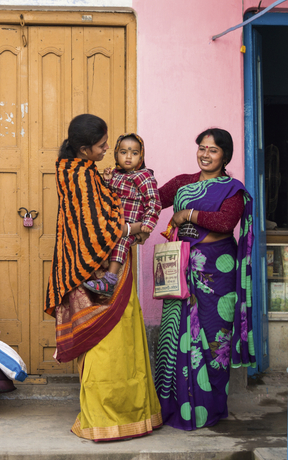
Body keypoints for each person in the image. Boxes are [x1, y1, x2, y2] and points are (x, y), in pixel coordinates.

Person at [45, 114, 162, 441]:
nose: (109, 148)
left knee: (109, 342)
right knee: (109, 344)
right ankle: (109, 417)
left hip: (96, 266)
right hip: (96, 268)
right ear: (84, 149)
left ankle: (124, 415)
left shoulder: (71, 169)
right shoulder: (83, 177)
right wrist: (134, 228)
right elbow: (98, 228)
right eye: (102, 145)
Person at [154, 128, 255, 431]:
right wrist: (123, 176)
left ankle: (210, 408)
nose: (205, 154)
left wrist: (186, 215)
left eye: (213, 150)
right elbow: (153, 200)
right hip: (180, 272)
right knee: (174, 339)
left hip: (218, 275)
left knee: (214, 342)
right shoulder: (183, 183)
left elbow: (225, 222)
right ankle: (176, 408)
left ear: (225, 155)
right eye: (202, 148)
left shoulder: (232, 189)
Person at [84, 133, 161, 296]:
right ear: (116, 154)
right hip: (113, 222)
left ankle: (109, 281)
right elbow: (107, 197)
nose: (128, 157)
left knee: (121, 240)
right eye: (123, 152)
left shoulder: (144, 176)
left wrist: (147, 224)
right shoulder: (116, 174)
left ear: (141, 155)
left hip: (131, 224)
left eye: (134, 153)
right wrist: (106, 180)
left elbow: (153, 201)